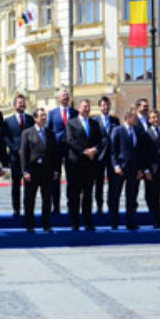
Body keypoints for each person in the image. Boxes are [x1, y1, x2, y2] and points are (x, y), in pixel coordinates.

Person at [65, 99, 102, 231]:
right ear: (79, 109)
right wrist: (85, 151)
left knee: (88, 194)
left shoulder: (94, 123)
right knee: (75, 194)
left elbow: (100, 140)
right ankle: (75, 222)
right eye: (84, 106)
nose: (87, 109)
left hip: (90, 164)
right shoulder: (71, 123)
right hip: (76, 163)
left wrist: (95, 149)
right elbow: (70, 141)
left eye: (88, 106)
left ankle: (88, 221)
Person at [20, 108, 58, 232]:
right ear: (35, 118)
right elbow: (23, 153)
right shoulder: (27, 133)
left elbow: (54, 153)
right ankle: (29, 225)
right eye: (41, 115)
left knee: (47, 199)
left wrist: (55, 170)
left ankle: (46, 224)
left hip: (46, 171)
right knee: (30, 199)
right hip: (32, 171)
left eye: (45, 115)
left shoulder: (50, 133)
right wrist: (25, 171)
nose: (44, 118)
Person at [110, 107, 146, 230]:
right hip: (120, 169)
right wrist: (116, 165)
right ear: (128, 118)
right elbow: (113, 150)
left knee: (131, 197)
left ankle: (131, 222)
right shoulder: (118, 130)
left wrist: (140, 169)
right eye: (135, 117)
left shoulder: (136, 130)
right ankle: (114, 222)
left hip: (133, 169)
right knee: (116, 196)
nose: (137, 119)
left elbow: (139, 151)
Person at [47, 89, 77, 215]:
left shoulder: (75, 112)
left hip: (71, 149)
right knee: (55, 178)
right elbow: (48, 131)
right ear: (58, 98)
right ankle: (56, 207)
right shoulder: (52, 113)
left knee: (72, 178)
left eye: (67, 96)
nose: (65, 98)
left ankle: (72, 206)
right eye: (63, 96)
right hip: (57, 149)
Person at [4, 94, 33, 218]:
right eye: (19, 103)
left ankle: (28, 209)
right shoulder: (8, 121)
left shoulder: (30, 119)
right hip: (15, 158)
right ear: (14, 105)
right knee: (15, 185)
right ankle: (16, 209)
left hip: (28, 158)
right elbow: (6, 138)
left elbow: (33, 136)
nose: (22, 104)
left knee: (29, 186)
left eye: (23, 102)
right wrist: (16, 149)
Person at [93, 96, 119, 214]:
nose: (106, 107)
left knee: (113, 183)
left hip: (112, 156)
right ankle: (99, 206)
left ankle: (111, 206)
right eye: (103, 105)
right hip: (99, 157)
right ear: (99, 107)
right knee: (99, 183)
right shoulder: (94, 121)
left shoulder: (115, 120)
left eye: (107, 105)